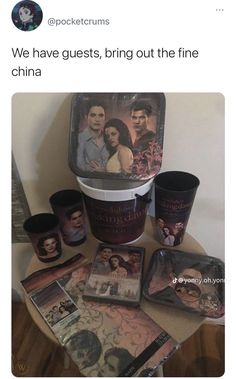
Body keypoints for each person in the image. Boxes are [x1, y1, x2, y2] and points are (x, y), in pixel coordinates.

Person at [76, 100, 109, 171]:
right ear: (86, 117)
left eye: (101, 115)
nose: (97, 119)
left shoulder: (110, 138)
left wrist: (105, 170)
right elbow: (79, 166)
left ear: (105, 118)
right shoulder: (79, 139)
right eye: (93, 115)